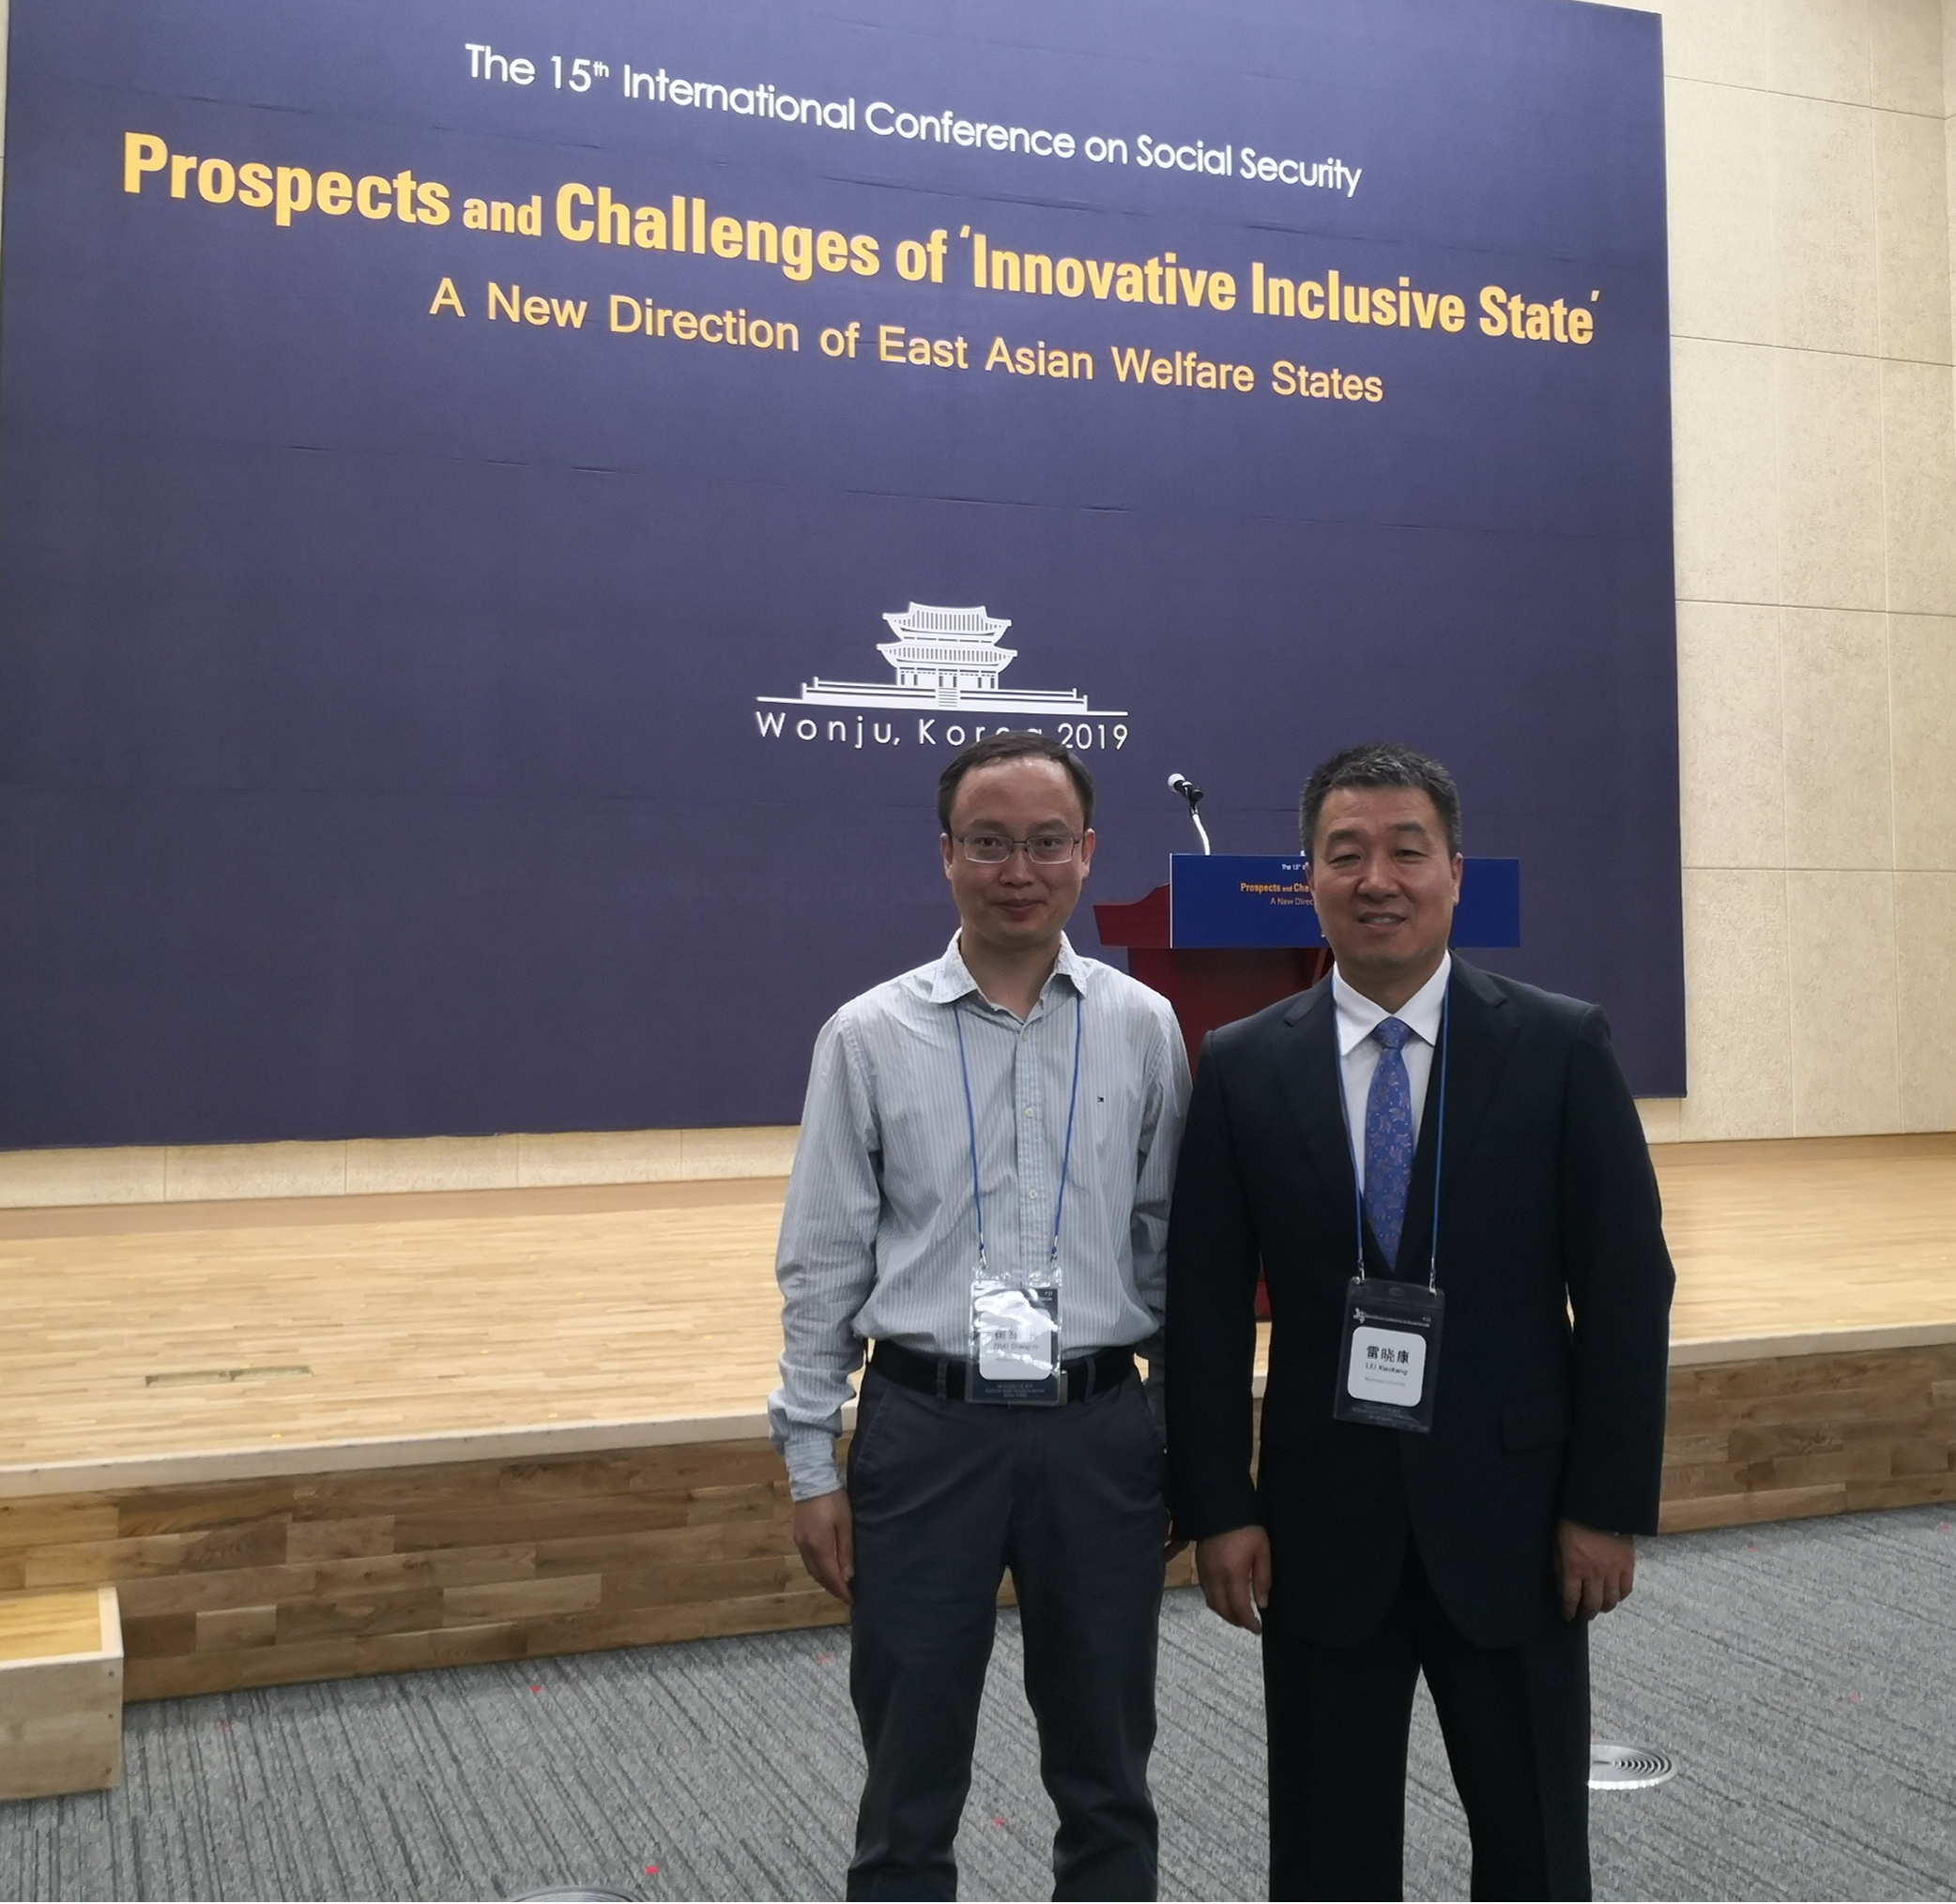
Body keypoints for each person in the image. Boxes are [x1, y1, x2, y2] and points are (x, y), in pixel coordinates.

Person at [1166, 741, 1673, 1902]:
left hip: (1517, 1524)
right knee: (1325, 1855)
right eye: (1344, 853)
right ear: (1308, 877)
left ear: (1454, 873)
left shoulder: (1558, 1045)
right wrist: (1219, 1505)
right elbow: (1200, 1305)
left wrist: (1604, 1504)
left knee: (1533, 1848)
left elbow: (1624, 1287)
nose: (1376, 879)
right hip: (1317, 1526)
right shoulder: (1242, 1067)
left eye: (1406, 850)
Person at [771, 731, 1190, 1902]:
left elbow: (1169, 1252)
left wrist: (1181, 1446)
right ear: (946, 854)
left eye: (1046, 842)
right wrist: (808, 1461)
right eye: (989, 842)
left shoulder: (1143, 1026)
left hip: (1098, 1434)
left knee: (1108, 1774)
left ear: (1087, 852)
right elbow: (821, 1263)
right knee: (906, 1780)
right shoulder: (866, 1036)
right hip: (926, 1434)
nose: (1019, 869)